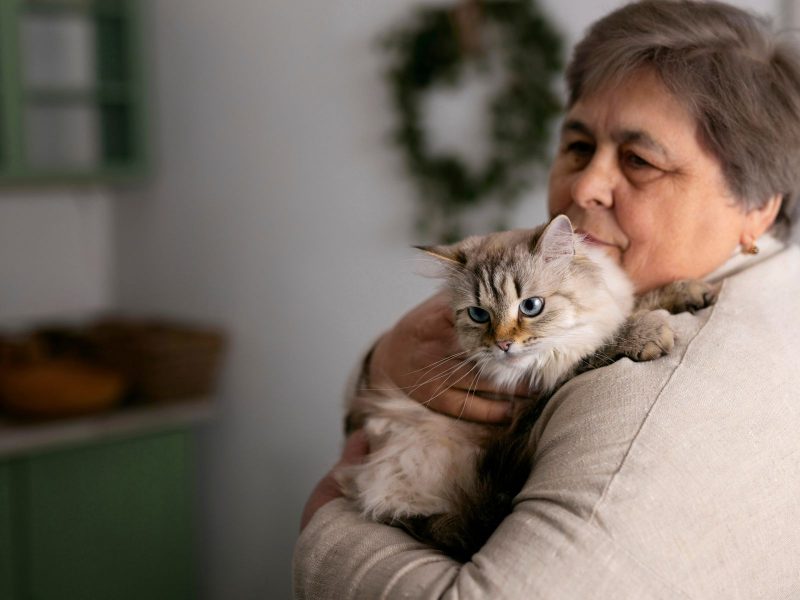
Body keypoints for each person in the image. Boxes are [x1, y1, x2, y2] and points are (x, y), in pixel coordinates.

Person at [294, 0, 800, 597]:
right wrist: (384, 362)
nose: (584, 186)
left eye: (640, 160)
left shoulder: (649, 390)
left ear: (758, 203)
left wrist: (323, 519)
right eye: (578, 146)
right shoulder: (772, 279)